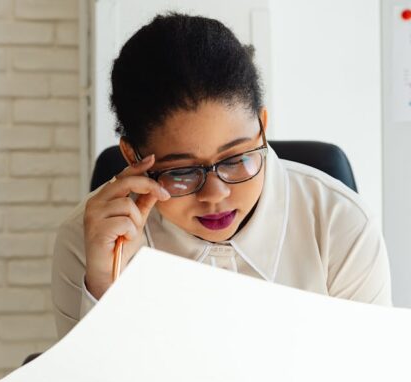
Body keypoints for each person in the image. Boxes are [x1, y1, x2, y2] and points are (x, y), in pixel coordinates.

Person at [51, 13, 391, 338]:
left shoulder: (340, 223)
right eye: (182, 171)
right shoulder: (89, 240)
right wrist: (104, 286)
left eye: (235, 159)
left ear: (262, 127)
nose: (215, 193)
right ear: (132, 156)